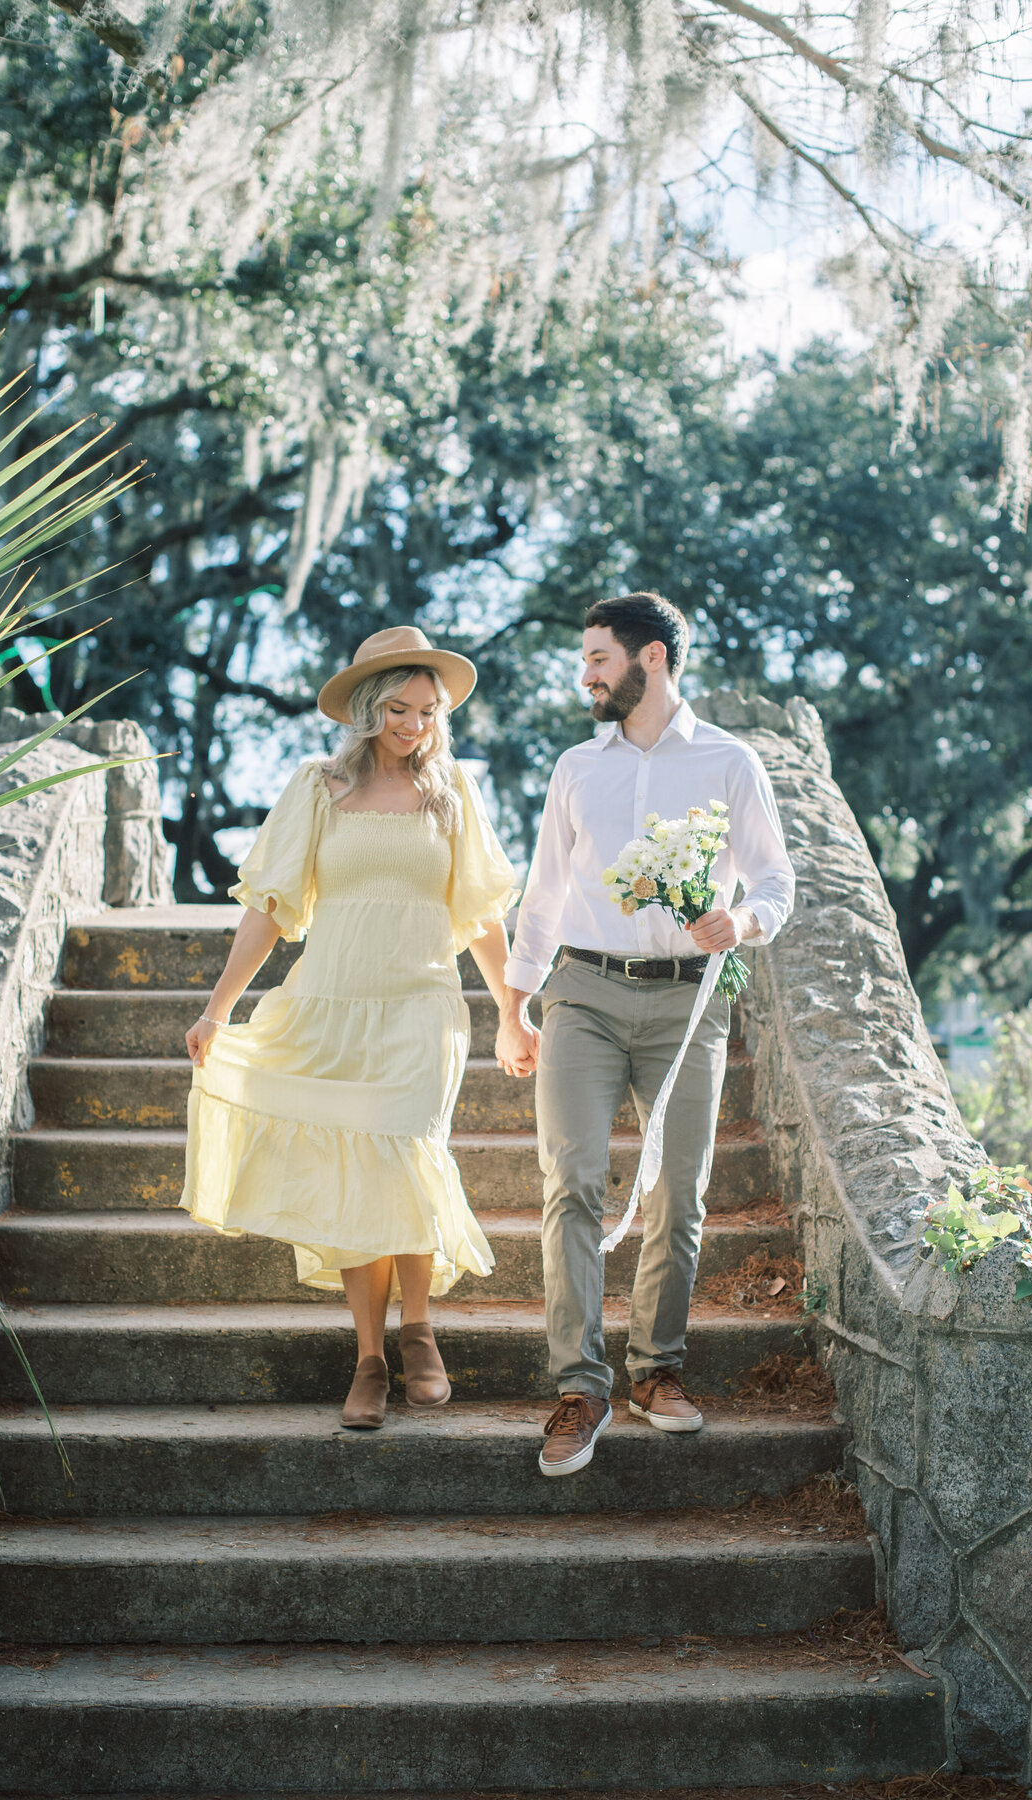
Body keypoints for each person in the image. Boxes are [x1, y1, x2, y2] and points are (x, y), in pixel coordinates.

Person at [179, 625, 518, 1430]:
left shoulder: (453, 791)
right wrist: (217, 1006)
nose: (414, 725)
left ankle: (421, 1332)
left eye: (428, 711)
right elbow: (268, 908)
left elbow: (480, 915)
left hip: (422, 1008)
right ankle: (370, 1358)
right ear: (367, 710)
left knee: (405, 1149)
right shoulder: (316, 787)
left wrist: (513, 1009)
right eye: (399, 709)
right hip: (329, 1005)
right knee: (358, 1178)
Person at [495, 593, 796, 1476]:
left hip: (687, 1003)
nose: (585, 673)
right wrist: (514, 1007)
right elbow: (544, 893)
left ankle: (656, 1371)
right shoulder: (576, 768)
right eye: (585, 658)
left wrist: (741, 922)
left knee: (678, 1194)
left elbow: (777, 879)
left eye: (597, 657)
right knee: (572, 1182)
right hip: (581, 995)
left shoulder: (729, 762)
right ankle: (579, 1388)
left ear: (652, 658)